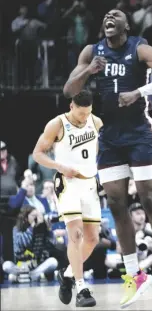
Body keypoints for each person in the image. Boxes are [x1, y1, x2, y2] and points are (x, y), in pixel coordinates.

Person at [63, 9, 152, 308]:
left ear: (127, 25)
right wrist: (88, 71)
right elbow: (68, 90)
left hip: (139, 132)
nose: (109, 17)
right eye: (105, 15)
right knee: (116, 204)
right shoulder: (92, 52)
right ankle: (134, 275)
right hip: (110, 136)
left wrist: (139, 91)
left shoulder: (140, 47)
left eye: (116, 14)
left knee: (147, 198)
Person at [32, 90, 101, 307]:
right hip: (68, 183)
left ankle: (68, 274)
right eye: (81, 114)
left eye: (88, 113)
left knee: (92, 240)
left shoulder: (95, 121)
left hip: (90, 184)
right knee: (76, 235)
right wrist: (59, 166)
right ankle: (81, 288)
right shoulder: (57, 124)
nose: (84, 118)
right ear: (71, 107)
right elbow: (38, 153)